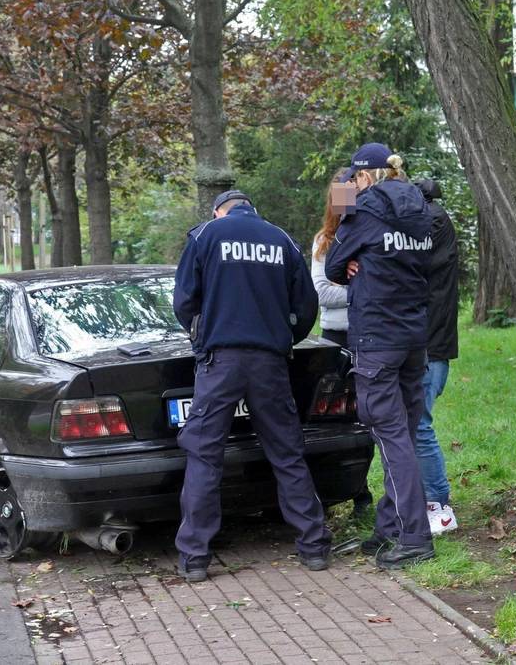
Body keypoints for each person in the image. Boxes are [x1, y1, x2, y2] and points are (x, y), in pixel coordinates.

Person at [173, 190, 332, 582]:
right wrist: (284, 337)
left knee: (205, 455)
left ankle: (194, 558)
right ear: (253, 210)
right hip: (270, 362)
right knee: (287, 452)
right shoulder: (280, 239)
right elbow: (307, 305)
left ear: (218, 211)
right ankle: (314, 546)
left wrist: (202, 335)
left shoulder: (205, 235)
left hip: (219, 362)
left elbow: (183, 301)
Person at [324, 143, 435, 569]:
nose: (349, 186)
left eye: (353, 178)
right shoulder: (421, 208)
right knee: (403, 435)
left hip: (377, 339)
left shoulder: (365, 209)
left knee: (391, 439)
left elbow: (333, 264)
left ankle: (415, 538)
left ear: (364, 176)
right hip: (413, 338)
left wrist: (356, 257)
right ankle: (389, 529)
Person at [311, 168, 373, 516]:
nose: (347, 198)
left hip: (370, 333)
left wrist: (356, 284)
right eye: (342, 192)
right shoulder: (324, 241)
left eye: (353, 190)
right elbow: (321, 291)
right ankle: (354, 490)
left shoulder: (371, 234)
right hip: (336, 337)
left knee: (370, 414)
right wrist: (358, 287)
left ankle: (366, 491)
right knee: (341, 417)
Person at [413, 178, 459, 535]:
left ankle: (439, 507)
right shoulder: (435, 217)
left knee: (419, 426)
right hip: (429, 344)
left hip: (429, 347)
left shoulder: (433, 221)